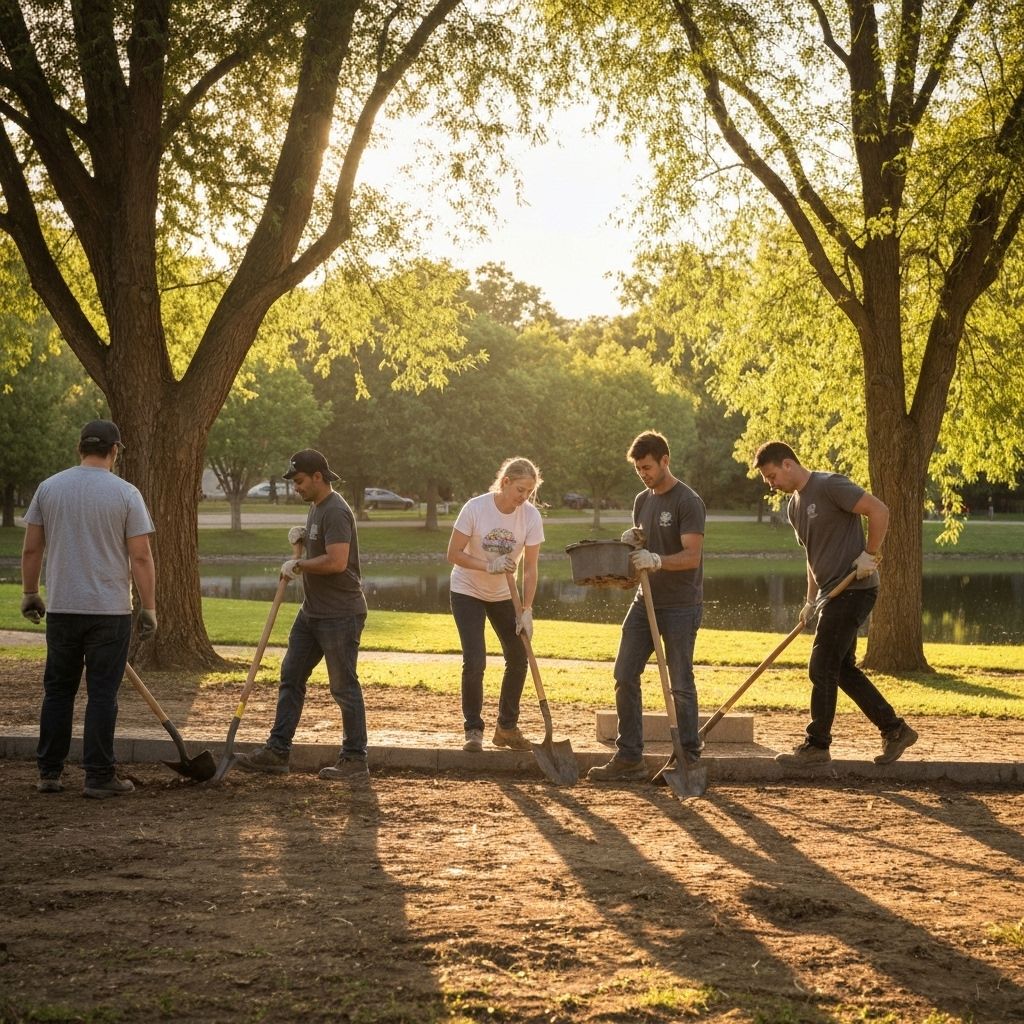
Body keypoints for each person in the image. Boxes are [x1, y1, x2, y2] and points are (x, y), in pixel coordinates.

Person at [753, 441, 918, 765]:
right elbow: (812, 555)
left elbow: (879, 510)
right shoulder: (793, 507)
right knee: (841, 669)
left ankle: (817, 745)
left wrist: (869, 554)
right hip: (831, 594)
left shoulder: (830, 485)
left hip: (855, 588)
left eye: (772, 476)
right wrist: (810, 600)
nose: (771, 484)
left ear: (788, 464)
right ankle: (895, 730)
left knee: (821, 666)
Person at [20, 420, 157, 798]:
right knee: (101, 695)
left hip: (63, 608)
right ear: (115, 450)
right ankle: (98, 776)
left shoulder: (49, 488)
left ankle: (49, 772)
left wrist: (30, 593)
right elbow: (141, 557)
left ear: (80, 448)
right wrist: (149, 608)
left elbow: (32, 548)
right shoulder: (126, 494)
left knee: (58, 692)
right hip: (109, 611)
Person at [238, 449, 369, 781]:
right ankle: (277, 751)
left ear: (317, 477)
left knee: (343, 686)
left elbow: (337, 562)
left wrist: (299, 564)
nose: (295, 487)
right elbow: (322, 547)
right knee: (291, 675)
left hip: (340, 613)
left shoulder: (336, 510)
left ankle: (355, 759)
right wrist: (304, 538)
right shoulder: (316, 507)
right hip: (312, 613)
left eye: (298, 481)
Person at [589, 430, 706, 782]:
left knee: (680, 682)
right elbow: (641, 542)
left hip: (681, 605)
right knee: (624, 673)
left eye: (648, 467)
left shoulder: (688, 501)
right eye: (638, 469)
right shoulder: (643, 500)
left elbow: (691, 557)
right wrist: (633, 544)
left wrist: (656, 559)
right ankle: (629, 757)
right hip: (646, 602)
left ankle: (688, 757)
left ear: (665, 461)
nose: (643, 473)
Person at [446, 457, 545, 752]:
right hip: (467, 589)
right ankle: (473, 729)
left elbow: (529, 568)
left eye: (529, 492)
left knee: (518, 657)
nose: (524, 497)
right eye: (520, 490)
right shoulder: (475, 508)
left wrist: (526, 609)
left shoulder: (530, 516)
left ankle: (506, 727)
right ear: (505, 483)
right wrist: (488, 565)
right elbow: (453, 553)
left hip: (504, 594)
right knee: (475, 659)